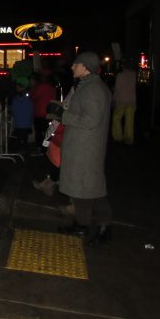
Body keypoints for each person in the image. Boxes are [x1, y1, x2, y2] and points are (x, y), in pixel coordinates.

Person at [50, 51, 113, 246]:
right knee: (81, 189)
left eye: (75, 64)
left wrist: (63, 116)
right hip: (82, 147)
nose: (72, 67)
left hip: (86, 149)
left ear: (85, 67)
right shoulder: (88, 86)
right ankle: (82, 224)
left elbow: (91, 120)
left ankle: (104, 227)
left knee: (92, 189)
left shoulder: (93, 89)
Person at [29, 71, 56, 152]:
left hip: (40, 113)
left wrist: (32, 91)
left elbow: (33, 97)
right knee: (48, 132)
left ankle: (41, 148)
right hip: (50, 113)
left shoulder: (40, 87)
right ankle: (46, 148)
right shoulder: (52, 87)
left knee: (39, 132)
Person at [111, 59, 137, 145]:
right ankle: (129, 138)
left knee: (116, 118)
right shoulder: (133, 75)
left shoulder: (120, 75)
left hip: (121, 100)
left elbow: (118, 89)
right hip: (131, 100)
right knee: (129, 120)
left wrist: (114, 99)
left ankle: (118, 137)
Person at [9, 79, 34, 153]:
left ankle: (18, 151)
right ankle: (25, 151)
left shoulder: (15, 100)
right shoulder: (29, 99)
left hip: (18, 123)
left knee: (18, 138)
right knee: (24, 138)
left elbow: (13, 110)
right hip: (27, 124)